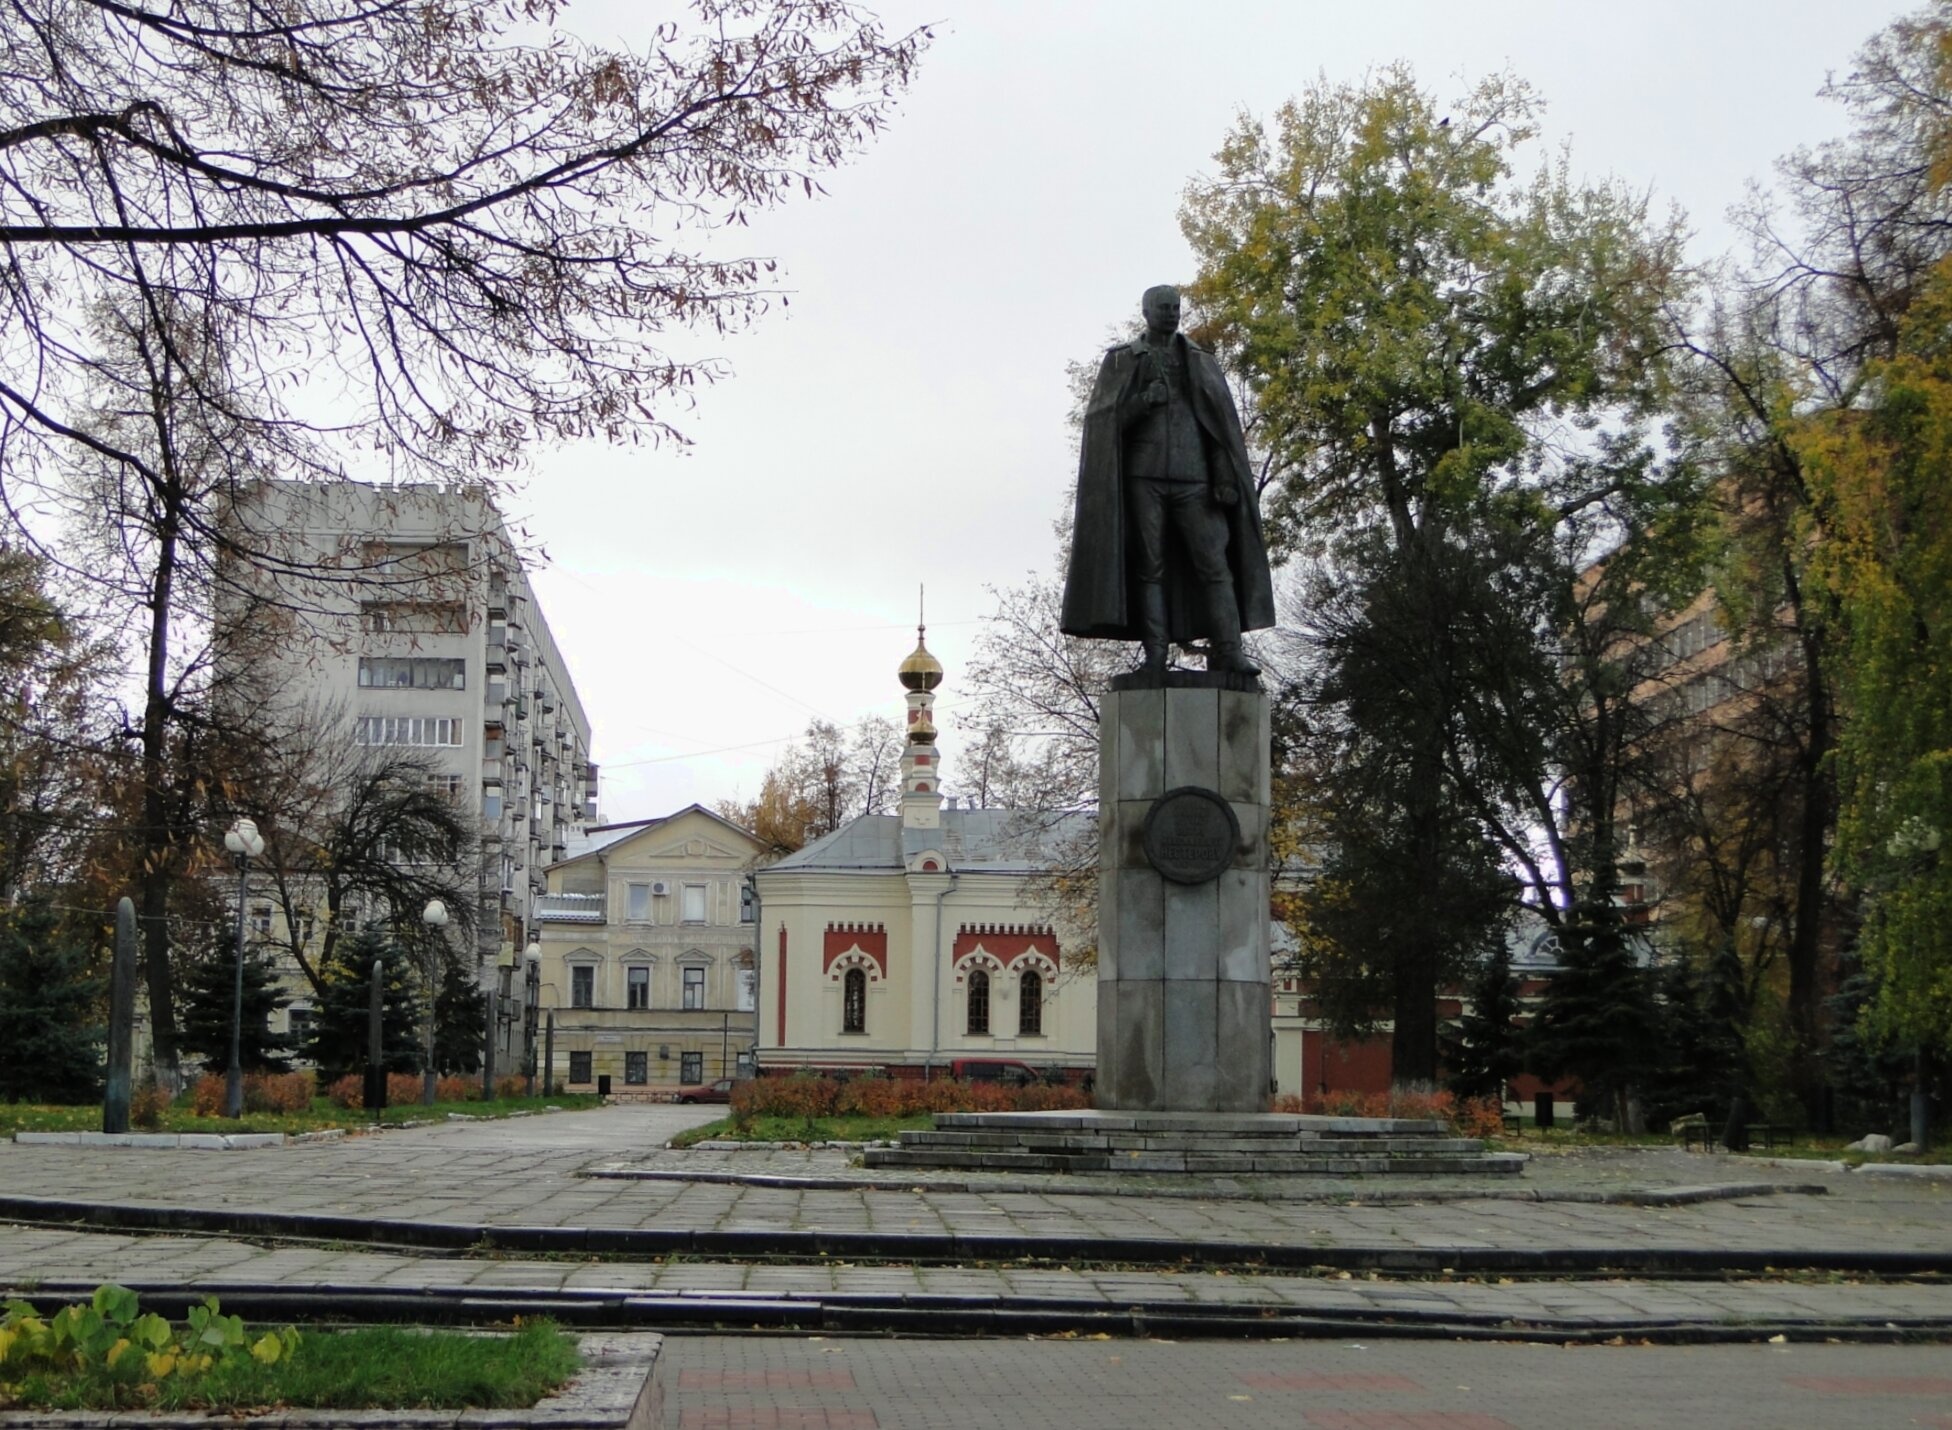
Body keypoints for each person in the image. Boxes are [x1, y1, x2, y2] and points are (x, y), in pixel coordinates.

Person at [1059, 284, 1274, 676]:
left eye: (1176, 307)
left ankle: (1228, 650)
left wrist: (1223, 472)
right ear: (1145, 311)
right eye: (1163, 307)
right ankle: (1155, 655)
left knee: (1215, 564)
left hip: (1196, 479)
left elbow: (1221, 428)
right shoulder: (1123, 360)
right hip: (1145, 477)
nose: (1171, 313)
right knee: (1150, 568)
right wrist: (1143, 402)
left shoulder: (1200, 360)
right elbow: (1104, 426)